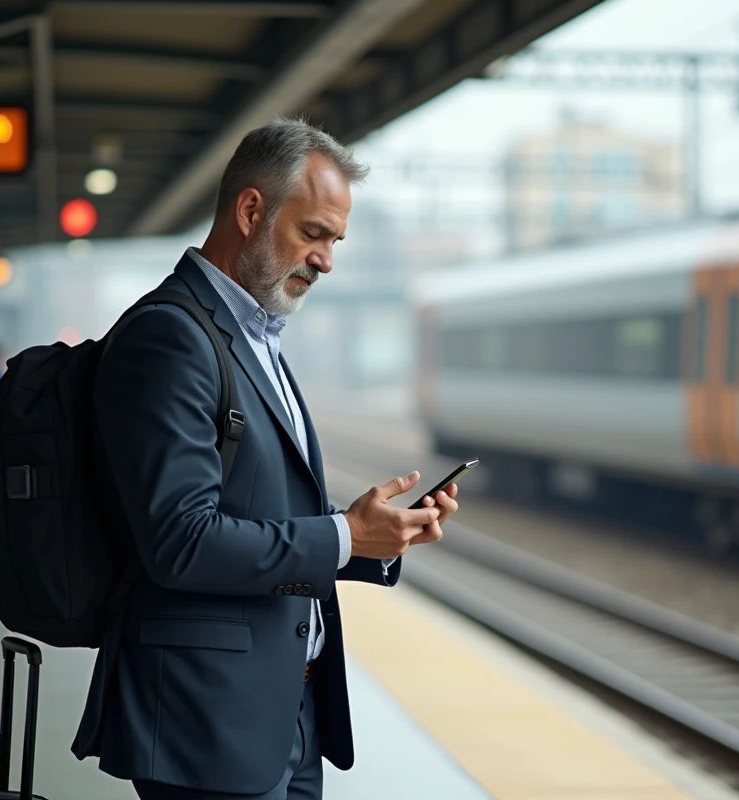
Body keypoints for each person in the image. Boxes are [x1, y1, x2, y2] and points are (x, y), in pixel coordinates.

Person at [72, 117, 460, 800]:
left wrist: (374, 537)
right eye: (313, 234)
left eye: (336, 241)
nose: (327, 260)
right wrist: (341, 536)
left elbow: (260, 514)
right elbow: (181, 542)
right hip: (207, 722)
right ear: (251, 210)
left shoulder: (256, 336)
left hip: (284, 711)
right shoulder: (170, 337)